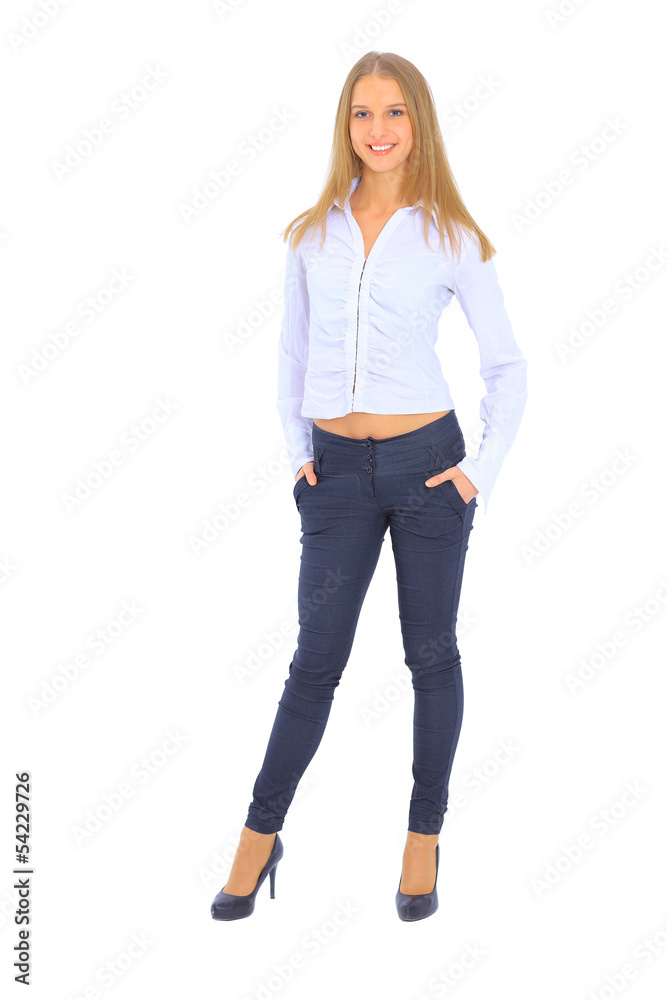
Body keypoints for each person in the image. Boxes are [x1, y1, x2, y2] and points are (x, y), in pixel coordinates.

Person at [211, 50, 527, 923]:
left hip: (429, 470)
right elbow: (291, 354)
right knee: (314, 663)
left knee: (430, 655)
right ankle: (258, 836)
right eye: (362, 113)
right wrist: (297, 456)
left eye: (393, 112)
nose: (377, 130)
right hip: (336, 475)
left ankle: (423, 838)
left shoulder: (451, 235)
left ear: (417, 122)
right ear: (344, 125)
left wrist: (476, 474)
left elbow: (506, 367)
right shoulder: (312, 233)